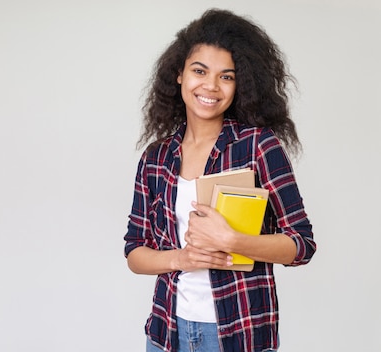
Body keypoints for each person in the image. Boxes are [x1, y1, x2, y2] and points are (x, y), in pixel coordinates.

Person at [123, 8, 317, 352]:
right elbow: (135, 251)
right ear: (179, 75)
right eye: (200, 71)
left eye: (226, 76)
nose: (210, 86)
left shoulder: (258, 146)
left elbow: (301, 245)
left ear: (240, 83)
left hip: (238, 335)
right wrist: (180, 259)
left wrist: (232, 239)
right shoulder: (155, 159)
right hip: (167, 332)